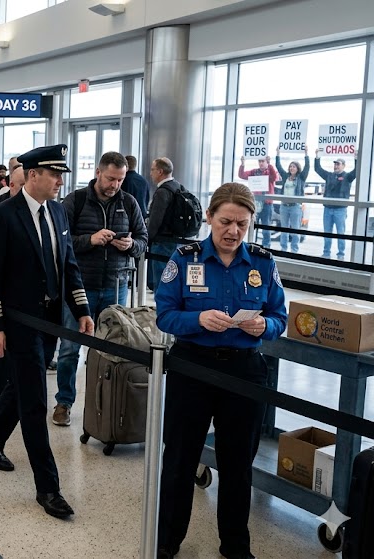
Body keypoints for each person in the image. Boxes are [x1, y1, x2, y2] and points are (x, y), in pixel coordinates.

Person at [155, 182, 287, 559]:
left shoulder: (262, 262)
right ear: (209, 217)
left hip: (245, 371)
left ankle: (235, 545)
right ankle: (167, 541)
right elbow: (165, 315)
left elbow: (280, 316)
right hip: (192, 366)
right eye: (226, 221)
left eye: (242, 225)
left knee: (237, 465)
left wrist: (266, 327)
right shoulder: (185, 258)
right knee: (180, 459)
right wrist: (197, 318)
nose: (233, 231)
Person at [0, 144, 93, 520]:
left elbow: (68, 264)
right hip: (18, 323)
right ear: (32, 175)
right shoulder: (2, 215)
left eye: (61, 175)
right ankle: (49, 488)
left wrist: (81, 309)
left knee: (22, 386)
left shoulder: (57, 211)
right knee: (34, 401)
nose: (61, 181)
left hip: (49, 322)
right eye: (55, 174)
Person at [53, 152, 148, 426]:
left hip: (115, 286)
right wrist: (90, 240)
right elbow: (61, 242)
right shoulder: (76, 201)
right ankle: (64, 402)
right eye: (110, 178)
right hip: (79, 287)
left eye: (120, 179)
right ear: (98, 172)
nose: (115, 184)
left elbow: (143, 240)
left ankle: (105, 404)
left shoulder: (129, 203)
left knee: (111, 350)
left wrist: (131, 246)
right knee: (70, 347)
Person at [146, 157, 184, 291]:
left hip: (162, 243)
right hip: (176, 240)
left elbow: (155, 221)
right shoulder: (178, 186)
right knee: (172, 280)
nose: (151, 173)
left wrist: (146, 239)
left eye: (152, 170)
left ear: (160, 171)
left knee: (161, 282)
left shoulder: (162, 191)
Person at [314, 150, 357, 259]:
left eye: (338, 164)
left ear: (343, 166)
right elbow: (317, 169)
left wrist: (356, 159)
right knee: (327, 232)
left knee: (340, 233)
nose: (336, 166)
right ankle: (326, 253)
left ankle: (341, 254)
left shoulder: (347, 177)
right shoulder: (329, 175)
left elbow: (357, 171)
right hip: (328, 209)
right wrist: (317, 157)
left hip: (340, 210)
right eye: (335, 164)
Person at [273, 147, 310, 253]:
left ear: (297, 168)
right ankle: (283, 248)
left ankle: (294, 250)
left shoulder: (301, 178)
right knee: (284, 229)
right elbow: (278, 167)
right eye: (290, 167)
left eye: (293, 167)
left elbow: (307, 167)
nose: (291, 168)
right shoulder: (285, 177)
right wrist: (278, 154)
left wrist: (306, 154)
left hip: (295, 207)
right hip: (284, 206)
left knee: (295, 229)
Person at [237, 155, 278, 248]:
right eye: (260, 161)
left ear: (267, 162)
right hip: (256, 203)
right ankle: (252, 244)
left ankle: (266, 246)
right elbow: (242, 175)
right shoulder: (254, 172)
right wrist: (242, 164)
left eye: (263, 161)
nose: (261, 163)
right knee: (252, 224)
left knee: (266, 225)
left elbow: (274, 177)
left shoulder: (270, 171)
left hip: (267, 203)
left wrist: (270, 164)